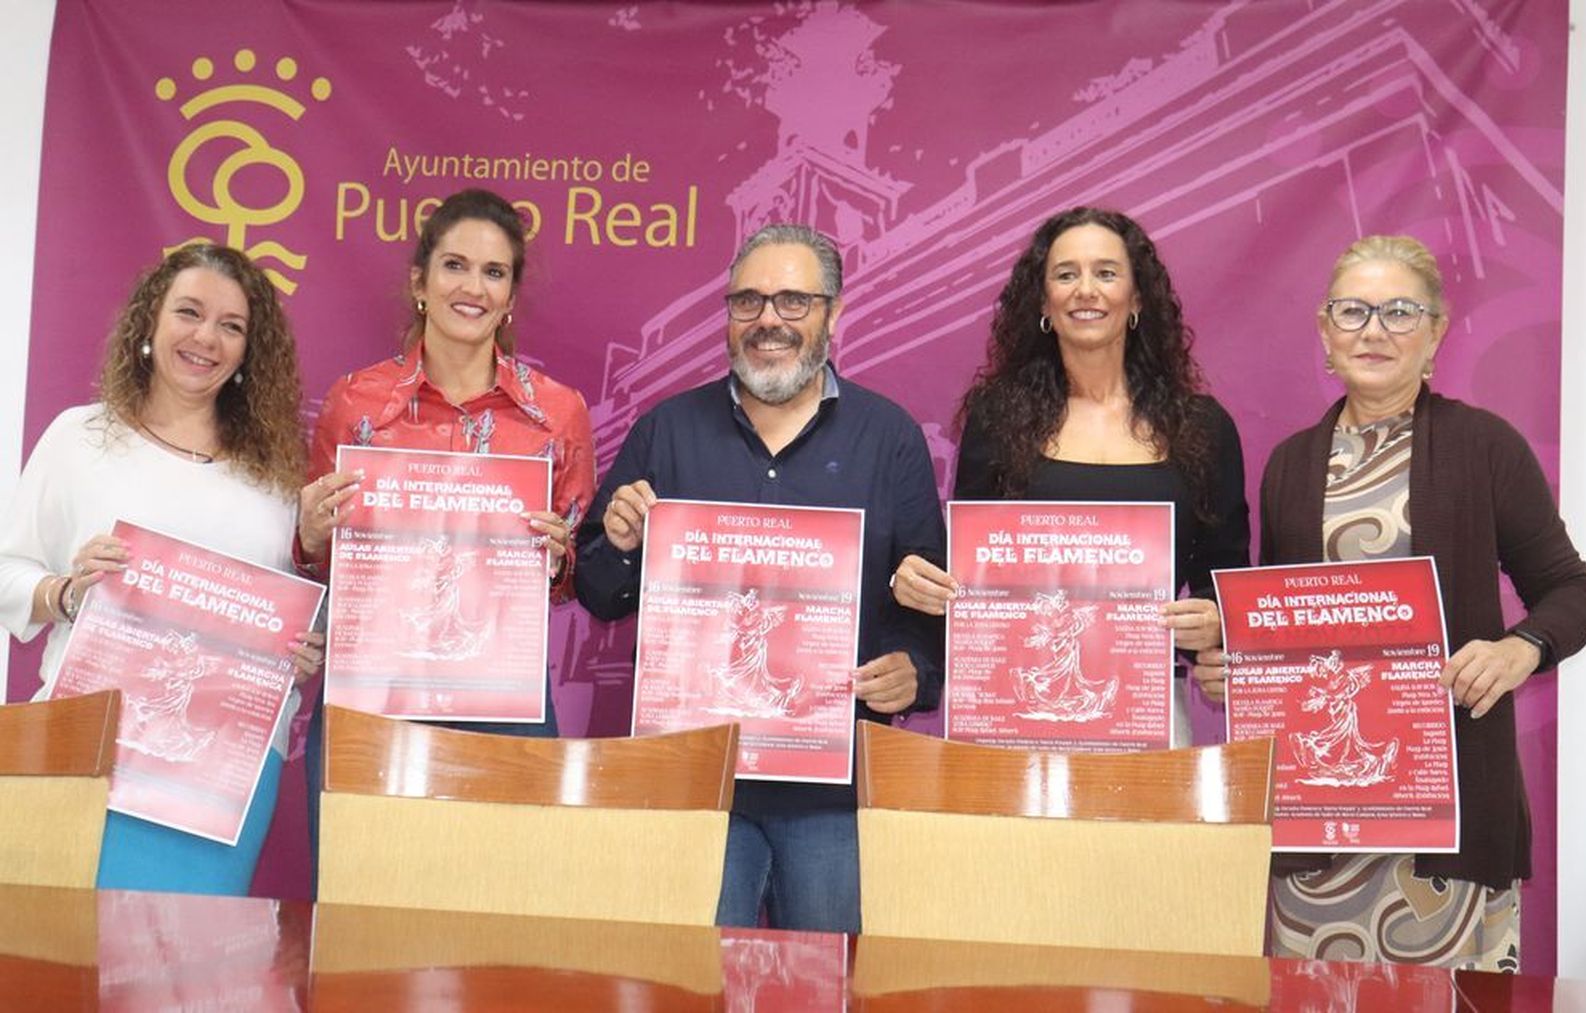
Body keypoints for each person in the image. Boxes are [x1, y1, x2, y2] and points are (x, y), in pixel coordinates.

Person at [1195, 234, 1586, 970]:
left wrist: (1519, 649)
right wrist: (1241, 674)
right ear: (1324, 331)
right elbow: (1282, 626)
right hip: (1318, 824)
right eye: (1352, 312)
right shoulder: (1290, 463)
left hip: (1446, 821)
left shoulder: (1487, 447)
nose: (1373, 330)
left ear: (1437, 331)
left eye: (1399, 311)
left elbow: (1574, 591)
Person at [575, 223, 945, 933]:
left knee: (828, 985)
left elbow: (920, 594)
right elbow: (600, 590)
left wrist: (915, 671)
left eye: (793, 301)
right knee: (693, 983)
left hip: (832, 794)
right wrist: (619, 542)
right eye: (747, 301)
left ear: (834, 314)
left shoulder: (889, 437)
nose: (768, 319)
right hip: (698, 783)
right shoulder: (667, 429)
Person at [0, 243, 323, 894]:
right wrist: (64, 592)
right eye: (189, 312)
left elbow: (278, 605)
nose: (206, 337)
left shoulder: (273, 479)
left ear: (246, 355)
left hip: (224, 772)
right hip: (86, 750)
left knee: (189, 974)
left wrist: (296, 648)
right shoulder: (80, 438)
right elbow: (9, 570)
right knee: (56, 969)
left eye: (232, 326)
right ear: (150, 322)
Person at [296, 189, 597, 875]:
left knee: (499, 919)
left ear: (512, 293)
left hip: (505, 701)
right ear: (420, 281)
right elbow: (321, 566)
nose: (473, 287)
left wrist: (556, 560)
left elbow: (571, 578)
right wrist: (312, 535)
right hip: (371, 700)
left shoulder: (559, 414)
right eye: (456, 265)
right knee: (358, 914)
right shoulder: (354, 403)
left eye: (494, 272)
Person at [890, 208, 1249, 742]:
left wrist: (1216, 622)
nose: (1086, 290)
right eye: (1065, 275)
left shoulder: (1202, 427)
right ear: (1043, 302)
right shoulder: (997, 417)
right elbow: (972, 573)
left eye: (1106, 273)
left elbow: (1226, 577)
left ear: (1138, 298)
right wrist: (917, 581)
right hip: (1015, 709)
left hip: (1147, 717)